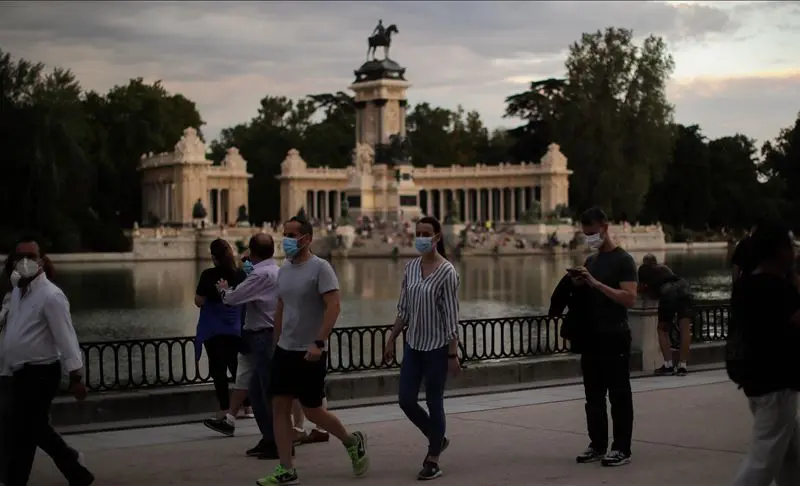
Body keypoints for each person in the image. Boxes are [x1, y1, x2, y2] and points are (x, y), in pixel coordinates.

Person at [256, 216, 368, 485]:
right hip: (285, 348)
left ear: (307, 238)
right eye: (285, 234)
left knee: (313, 411)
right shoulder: (284, 270)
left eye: (292, 234)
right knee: (279, 406)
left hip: (310, 350)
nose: (287, 239)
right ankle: (286, 468)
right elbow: (281, 306)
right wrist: (276, 339)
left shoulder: (321, 268)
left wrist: (319, 342)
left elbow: (334, 306)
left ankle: (351, 441)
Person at [0, 238, 94, 486]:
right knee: (31, 429)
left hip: (41, 374)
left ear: (41, 260)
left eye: (31, 256)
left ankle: (18, 479)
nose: (25, 262)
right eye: (20, 257)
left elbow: (67, 338)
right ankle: (75, 471)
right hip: (19, 374)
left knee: (28, 428)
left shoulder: (51, 296)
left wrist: (76, 376)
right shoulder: (19, 291)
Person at [384, 216, 461, 480]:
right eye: (417, 232)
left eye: (426, 233)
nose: (421, 237)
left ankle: (433, 458)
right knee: (405, 400)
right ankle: (437, 436)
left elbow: (452, 316)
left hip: (438, 346)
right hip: (414, 344)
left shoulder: (447, 271)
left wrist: (453, 353)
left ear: (437, 237)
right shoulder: (411, 267)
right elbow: (403, 307)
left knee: (434, 400)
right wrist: (392, 337)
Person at [728, 222, 800, 485]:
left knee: (791, 456)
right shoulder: (775, 288)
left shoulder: (747, 284)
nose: (794, 252)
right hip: (777, 383)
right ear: (779, 251)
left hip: (757, 379)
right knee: (762, 462)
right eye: (790, 246)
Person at [571, 207, 637, 467]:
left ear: (605, 226)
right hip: (592, 336)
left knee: (619, 395)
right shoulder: (591, 261)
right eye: (586, 234)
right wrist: (579, 283)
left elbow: (630, 298)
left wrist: (597, 284)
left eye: (593, 232)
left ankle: (622, 447)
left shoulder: (624, 261)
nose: (590, 238)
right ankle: (597, 444)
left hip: (615, 334)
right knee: (593, 396)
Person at [213, 234, 281, 458]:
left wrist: (223, 288)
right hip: (263, 336)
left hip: (263, 337)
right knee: (256, 391)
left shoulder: (260, 275)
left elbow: (232, 298)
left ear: (252, 252)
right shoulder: (276, 271)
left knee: (265, 393)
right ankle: (269, 438)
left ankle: (277, 441)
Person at [194, 239, 246, 415]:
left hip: (213, 328)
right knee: (237, 367)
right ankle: (248, 406)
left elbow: (198, 301)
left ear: (214, 257)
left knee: (218, 370)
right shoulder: (239, 274)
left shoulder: (208, 275)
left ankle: (224, 408)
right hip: (234, 326)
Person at [637, 254, 694, 376]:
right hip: (684, 288)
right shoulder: (664, 268)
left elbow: (641, 288)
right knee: (685, 329)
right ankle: (682, 365)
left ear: (645, 262)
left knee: (662, 330)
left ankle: (668, 365)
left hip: (669, 292)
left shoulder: (643, 269)